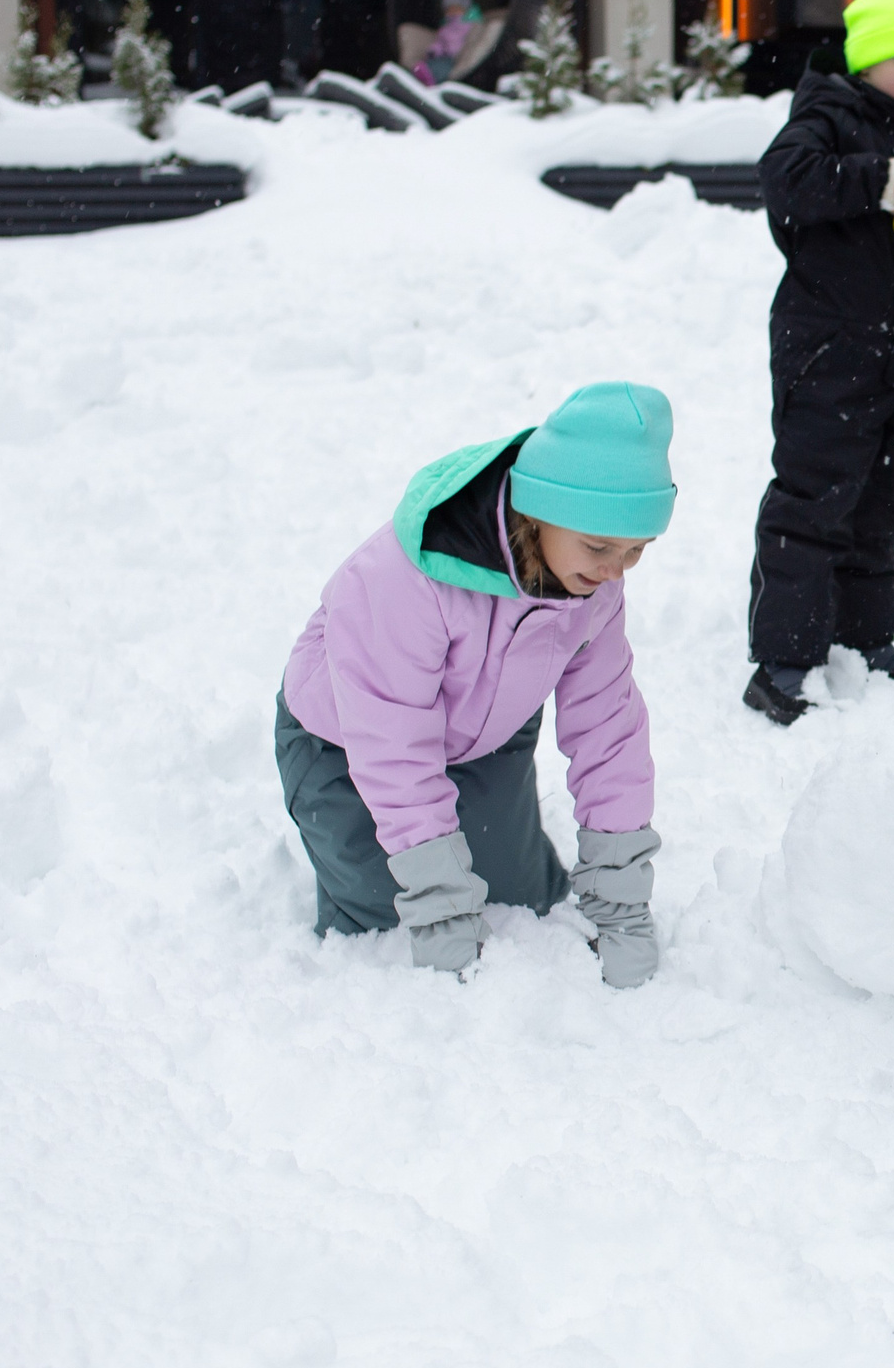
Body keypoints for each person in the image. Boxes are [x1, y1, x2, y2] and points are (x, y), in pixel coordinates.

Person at [275, 383, 677, 987]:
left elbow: (608, 729)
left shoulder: (594, 585)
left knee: (520, 900)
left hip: (483, 736)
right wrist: (437, 902)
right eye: (600, 546)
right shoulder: (408, 578)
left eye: (636, 550)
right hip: (346, 744)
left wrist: (621, 904)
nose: (616, 571)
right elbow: (391, 740)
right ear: (541, 513)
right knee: (388, 924)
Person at [745, 0, 894, 726]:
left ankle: (866, 634)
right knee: (815, 495)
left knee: (884, 498)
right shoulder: (824, 122)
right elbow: (786, 181)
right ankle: (784, 658)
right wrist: (879, 180)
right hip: (829, 346)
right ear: (869, 58)